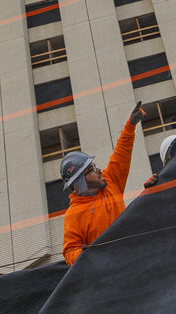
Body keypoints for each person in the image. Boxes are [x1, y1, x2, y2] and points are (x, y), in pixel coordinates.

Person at [60, 101, 146, 266]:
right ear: (80, 181)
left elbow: (121, 153)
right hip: (109, 273)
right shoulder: (73, 216)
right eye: (91, 169)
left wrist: (130, 126)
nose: (98, 170)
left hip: (134, 259)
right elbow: (70, 251)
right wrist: (84, 258)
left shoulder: (110, 181)